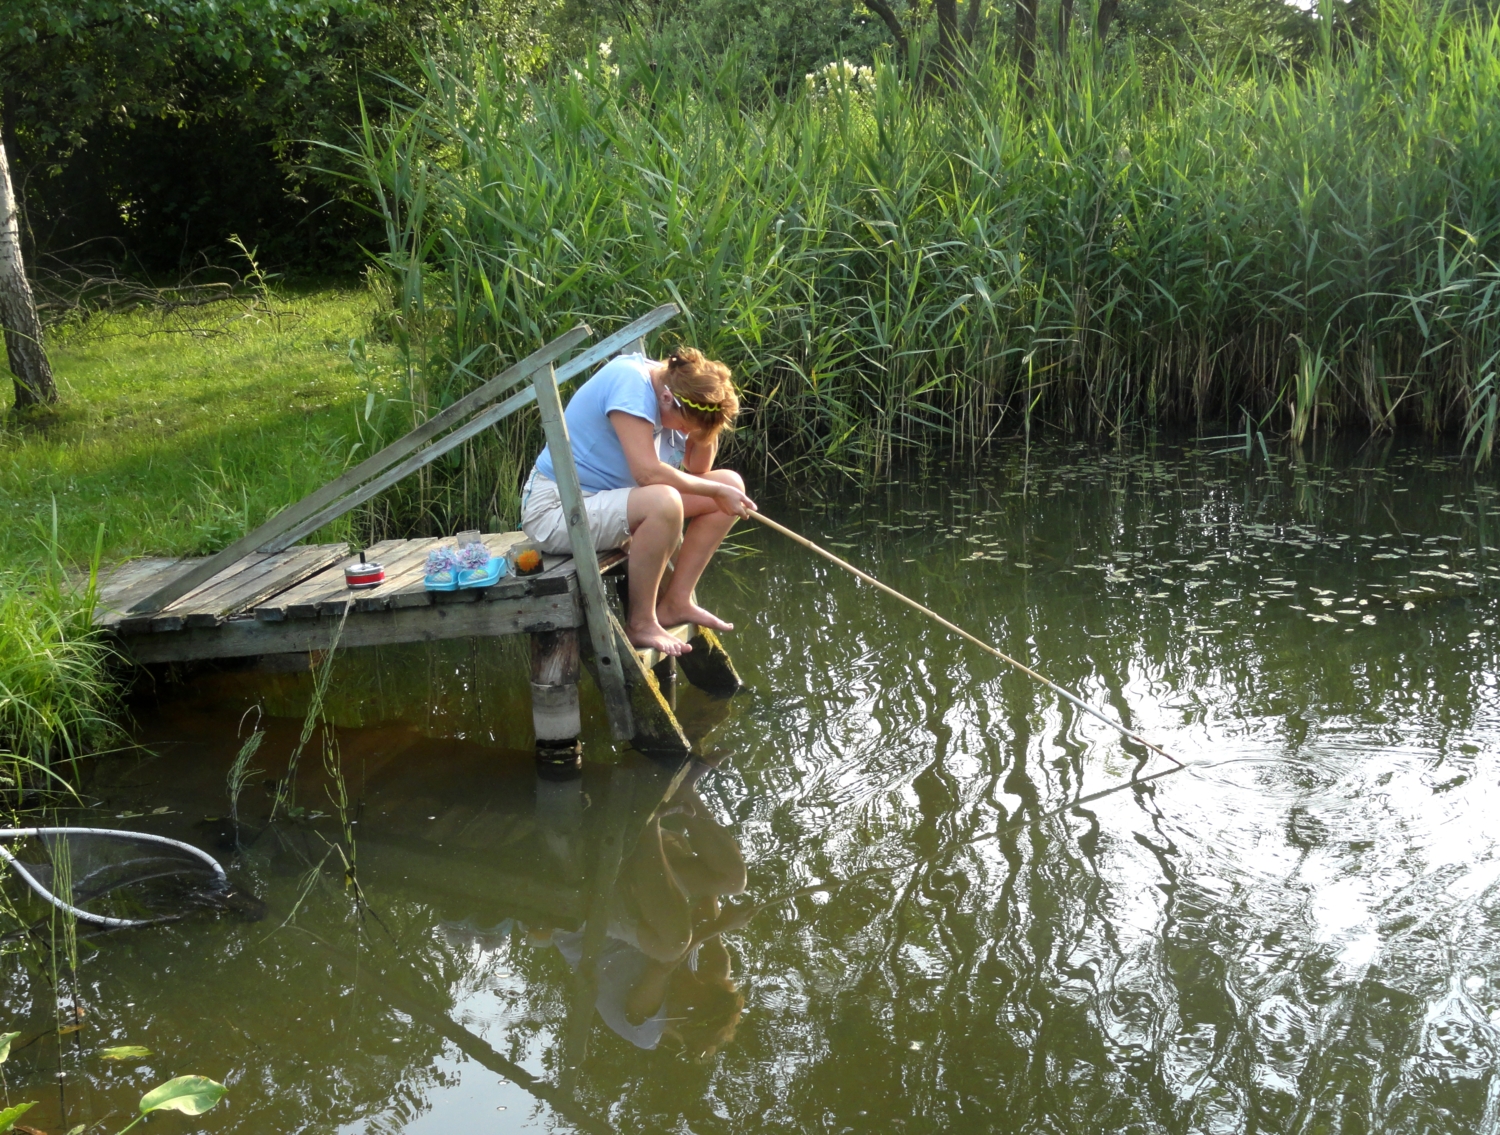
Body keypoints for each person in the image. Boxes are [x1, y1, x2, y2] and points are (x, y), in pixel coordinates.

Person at [520, 346, 756, 656]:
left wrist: (703, 433)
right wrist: (711, 491)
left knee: (730, 484)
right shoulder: (630, 383)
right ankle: (641, 623)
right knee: (665, 501)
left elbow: (699, 471)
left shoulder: (675, 391)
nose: (685, 433)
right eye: (686, 426)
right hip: (559, 510)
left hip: (611, 502)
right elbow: (646, 473)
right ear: (668, 399)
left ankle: (676, 601)